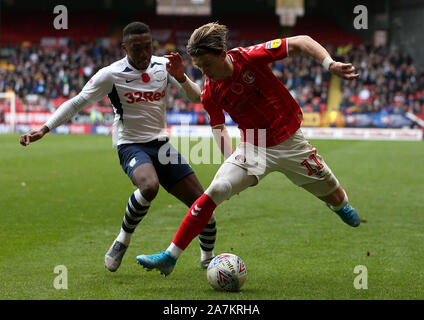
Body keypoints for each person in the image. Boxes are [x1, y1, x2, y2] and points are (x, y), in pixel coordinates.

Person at [135, 22, 361, 276]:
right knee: (216, 189)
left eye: (207, 65)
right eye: (199, 68)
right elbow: (218, 127)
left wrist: (329, 64)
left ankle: (338, 205)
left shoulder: (249, 57)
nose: (205, 72)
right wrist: (230, 159)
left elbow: (301, 40)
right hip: (253, 146)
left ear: (222, 54)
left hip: (291, 144)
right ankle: (170, 256)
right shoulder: (210, 92)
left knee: (338, 198)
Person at [19, 22, 217, 272]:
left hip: (162, 145)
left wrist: (180, 77)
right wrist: (44, 128)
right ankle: (122, 241)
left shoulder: (163, 66)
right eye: (137, 49)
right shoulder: (110, 74)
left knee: (204, 204)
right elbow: (77, 102)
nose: (144, 54)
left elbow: (197, 97)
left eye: (148, 47)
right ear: (125, 48)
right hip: (131, 145)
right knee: (149, 186)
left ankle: (209, 260)